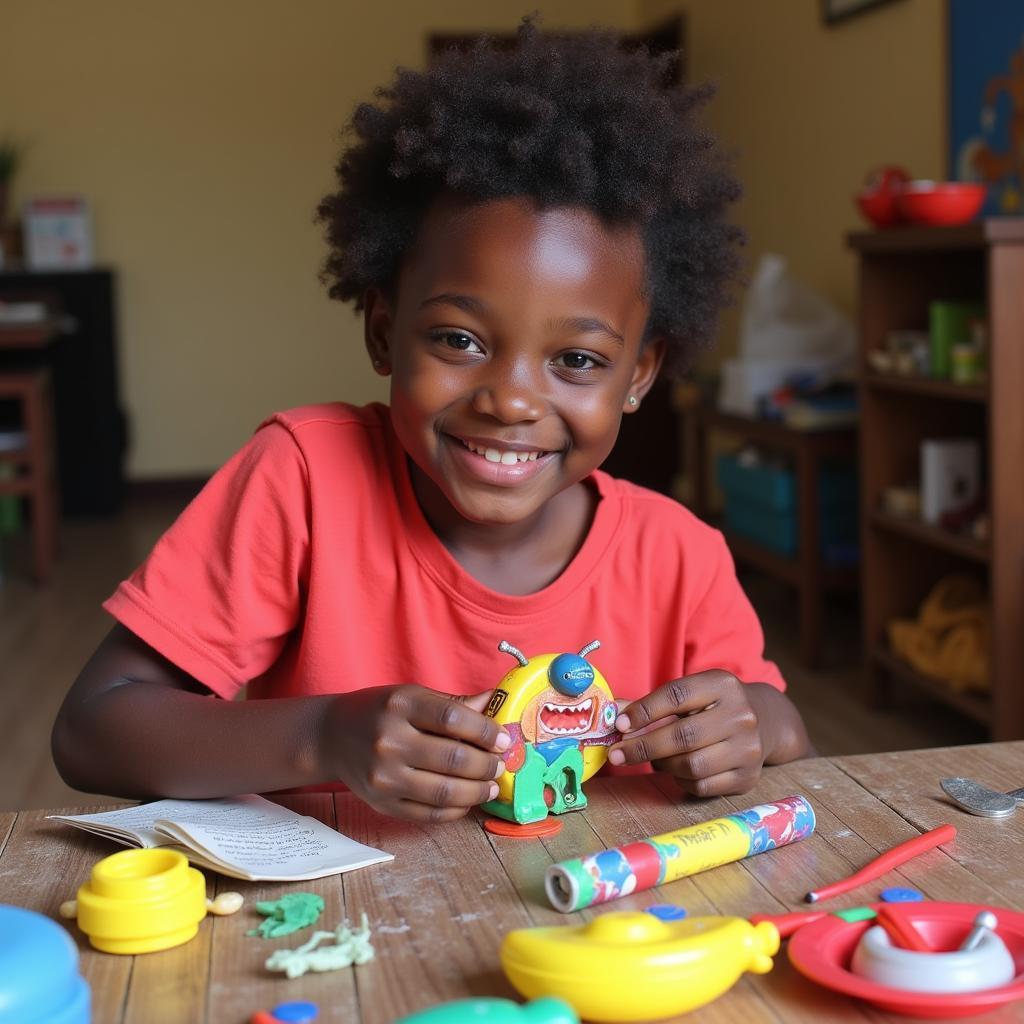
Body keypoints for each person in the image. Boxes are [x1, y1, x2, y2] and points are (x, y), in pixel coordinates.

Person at [52, 20, 813, 824]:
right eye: (459, 340)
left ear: (640, 375)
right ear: (384, 331)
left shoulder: (679, 555)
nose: (511, 400)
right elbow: (91, 728)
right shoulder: (305, 478)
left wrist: (750, 727)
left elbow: (781, 723)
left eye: (579, 361)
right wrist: (323, 733)